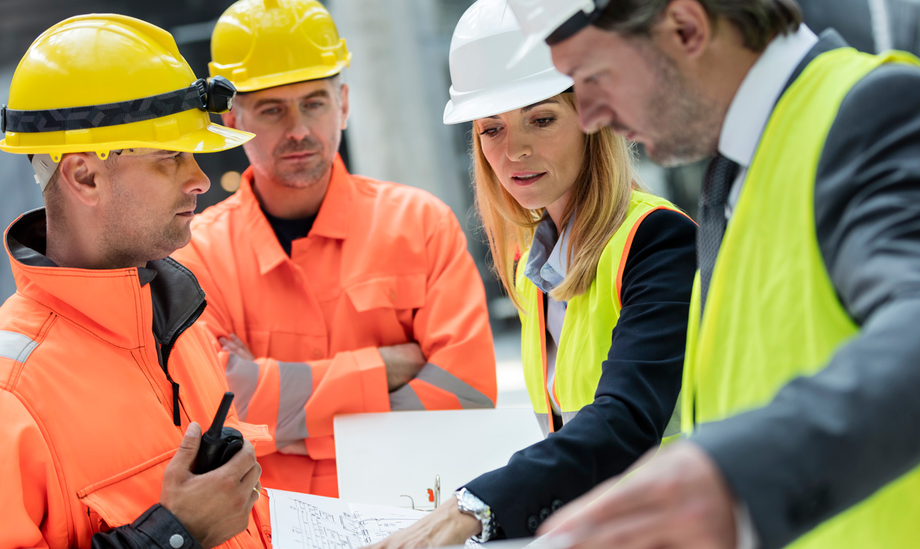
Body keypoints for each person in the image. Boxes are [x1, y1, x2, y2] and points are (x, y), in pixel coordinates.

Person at [501, 0, 920, 548]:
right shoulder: (737, 169)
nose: (589, 115)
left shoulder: (880, 111)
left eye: (593, 75)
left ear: (685, 28)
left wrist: (738, 476)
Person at [371, 1, 696, 546]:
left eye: (541, 119)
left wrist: (473, 509)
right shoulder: (533, 265)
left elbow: (625, 422)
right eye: (490, 129)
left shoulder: (658, 241)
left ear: (593, 117)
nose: (514, 150)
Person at [170, 0, 497, 498]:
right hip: (270, 525)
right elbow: (214, 417)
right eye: (273, 109)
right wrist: (384, 368)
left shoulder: (420, 224)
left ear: (343, 103)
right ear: (233, 119)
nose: (298, 128)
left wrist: (285, 423)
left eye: (314, 103)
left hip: (405, 509)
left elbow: (467, 394)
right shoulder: (196, 256)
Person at [0, 14, 273, 549]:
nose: (198, 179)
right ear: (85, 176)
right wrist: (175, 534)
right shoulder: (13, 395)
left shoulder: (175, 323)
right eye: (171, 157)